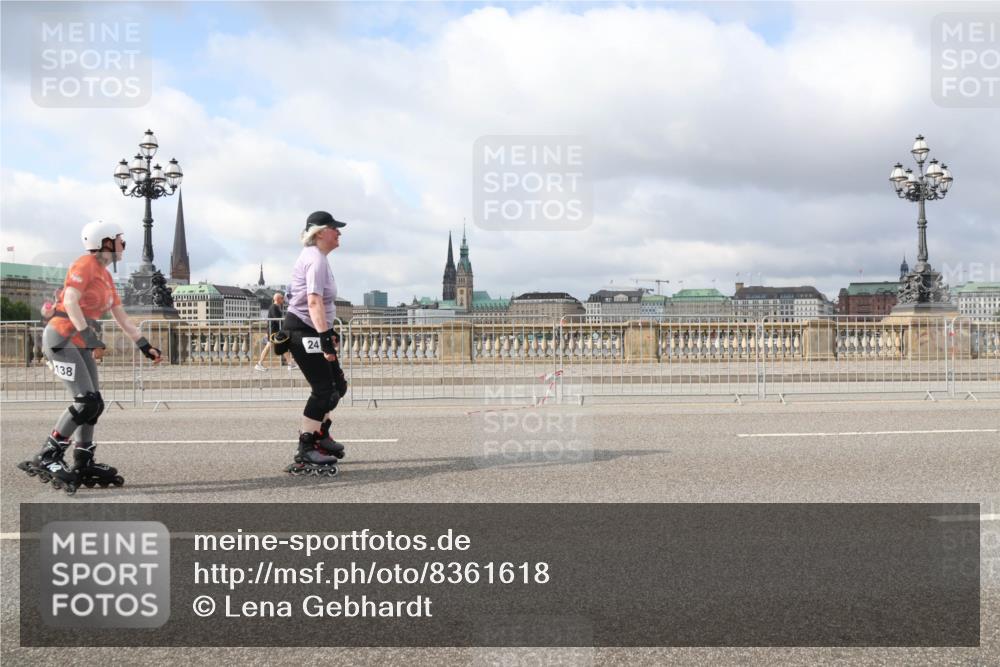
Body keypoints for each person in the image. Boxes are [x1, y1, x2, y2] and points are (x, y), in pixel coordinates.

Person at [17, 220, 163, 494]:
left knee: (95, 404)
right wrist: (89, 335)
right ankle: (48, 454)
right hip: (61, 339)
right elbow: (70, 301)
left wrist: (144, 344)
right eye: (120, 240)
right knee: (85, 401)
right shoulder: (84, 265)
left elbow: (120, 316)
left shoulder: (106, 276)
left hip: (80, 343)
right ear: (105, 242)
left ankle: (83, 460)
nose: (123, 245)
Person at [281, 210, 349, 476]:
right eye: (335, 228)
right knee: (324, 390)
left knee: (337, 387)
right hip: (304, 331)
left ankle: (321, 434)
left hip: (315, 329)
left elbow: (321, 304)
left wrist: (328, 332)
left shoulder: (319, 258)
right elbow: (313, 301)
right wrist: (324, 338)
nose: (339, 232)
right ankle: (305, 448)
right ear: (320, 232)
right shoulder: (315, 260)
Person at [255, 292, 297, 371]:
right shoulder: (274, 307)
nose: (283, 300)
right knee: (273, 347)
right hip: (274, 332)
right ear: (277, 299)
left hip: (273, 331)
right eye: (282, 298)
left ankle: (290, 364)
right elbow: (277, 320)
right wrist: (287, 325)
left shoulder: (274, 307)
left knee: (281, 346)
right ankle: (259, 364)